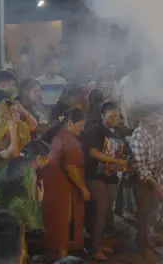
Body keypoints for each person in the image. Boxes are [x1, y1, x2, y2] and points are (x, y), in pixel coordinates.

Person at [41, 107, 89, 261]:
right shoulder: (70, 140)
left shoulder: (56, 135)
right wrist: (83, 188)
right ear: (70, 123)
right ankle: (63, 258)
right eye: (80, 126)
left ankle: (54, 256)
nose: (81, 130)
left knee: (54, 223)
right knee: (64, 226)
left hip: (51, 187)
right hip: (65, 189)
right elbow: (71, 168)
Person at [129, 105, 163, 262]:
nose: (154, 122)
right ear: (142, 120)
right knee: (145, 211)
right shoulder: (138, 137)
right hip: (141, 178)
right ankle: (146, 248)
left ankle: (143, 237)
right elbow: (142, 170)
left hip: (159, 171)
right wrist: (158, 187)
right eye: (150, 120)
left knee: (155, 208)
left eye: (155, 117)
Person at [83, 102, 129, 260]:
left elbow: (124, 153)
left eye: (117, 116)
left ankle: (100, 242)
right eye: (111, 116)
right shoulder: (96, 130)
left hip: (111, 177)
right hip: (96, 176)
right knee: (101, 211)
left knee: (107, 211)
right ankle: (95, 248)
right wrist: (114, 161)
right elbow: (93, 152)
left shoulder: (118, 132)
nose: (115, 119)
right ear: (102, 115)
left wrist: (122, 163)